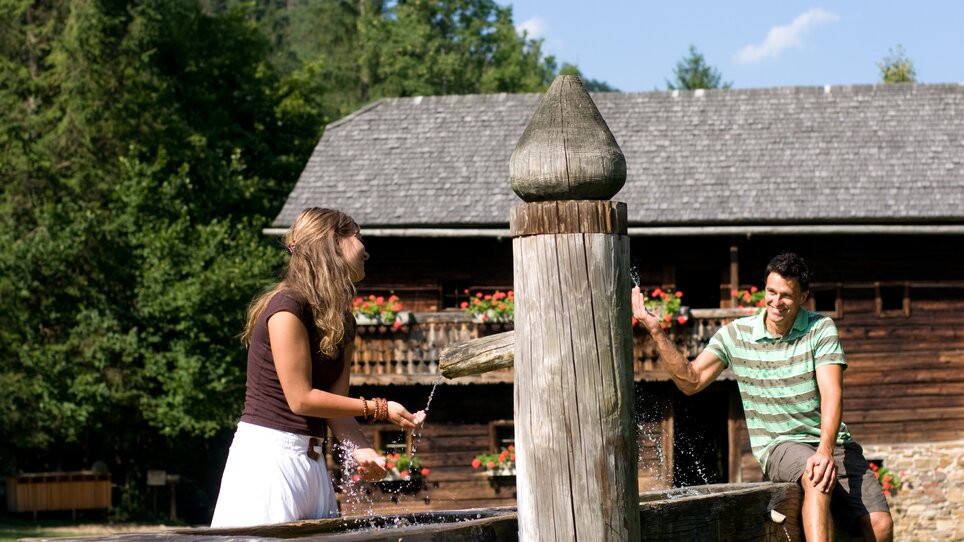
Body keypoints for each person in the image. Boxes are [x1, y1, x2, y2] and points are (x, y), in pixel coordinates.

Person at [632, 252, 893, 542]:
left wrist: (825, 450)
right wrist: (656, 331)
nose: (776, 302)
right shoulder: (736, 335)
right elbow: (690, 381)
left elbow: (833, 394)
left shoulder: (820, 329)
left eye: (786, 296)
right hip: (780, 443)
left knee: (880, 528)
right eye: (771, 292)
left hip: (831, 443)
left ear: (803, 296)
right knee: (817, 479)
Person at [211, 207, 426, 527]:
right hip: (268, 462)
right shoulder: (287, 307)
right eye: (358, 236)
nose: (366, 250)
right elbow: (301, 398)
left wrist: (364, 450)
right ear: (333, 242)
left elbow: (334, 410)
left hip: (312, 464)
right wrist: (380, 408)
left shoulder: (342, 320)